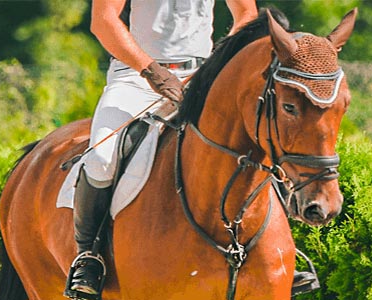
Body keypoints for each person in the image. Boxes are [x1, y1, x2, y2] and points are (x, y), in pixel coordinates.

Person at [63, 0, 259, 298]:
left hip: (204, 73)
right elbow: (103, 20)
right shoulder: (141, 72)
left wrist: (221, 59)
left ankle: (274, 252)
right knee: (102, 159)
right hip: (136, 76)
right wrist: (152, 71)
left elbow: (247, 14)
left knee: (258, 139)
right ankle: (88, 255)